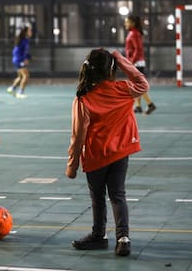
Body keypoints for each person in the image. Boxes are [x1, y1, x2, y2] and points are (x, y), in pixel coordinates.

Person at [65, 48, 149, 256]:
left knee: (98, 197)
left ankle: (99, 235)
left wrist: (72, 165)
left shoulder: (83, 99)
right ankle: (123, 238)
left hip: (96, 156)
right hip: (120, 153)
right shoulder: (123, 89)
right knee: (117, 194)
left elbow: (78, 137)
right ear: (112, 70)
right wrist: (120, 59)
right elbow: (143, 83)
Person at [124, 15, 156, 115]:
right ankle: (138, 107)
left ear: (133, 23)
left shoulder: (134, 34)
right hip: (135, 62)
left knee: (138, 86)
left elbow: (138, 49)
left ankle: (150, 104)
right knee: (135, 85)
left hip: (137, 63)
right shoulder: (132, 33)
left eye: (127, 22)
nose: (125, 24)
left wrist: (131, 62)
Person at [7, 25, 32, 99]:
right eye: (30, 30)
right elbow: (16, 52)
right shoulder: (24, 41)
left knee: (20, 76)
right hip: (19, 60)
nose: (31, 32)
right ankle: (20, 93)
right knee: (26, 75)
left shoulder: (24, 40)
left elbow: (25, 52)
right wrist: (23, 60)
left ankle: (12, 88)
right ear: (26, 32)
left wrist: (28, 57)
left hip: (17, 60)